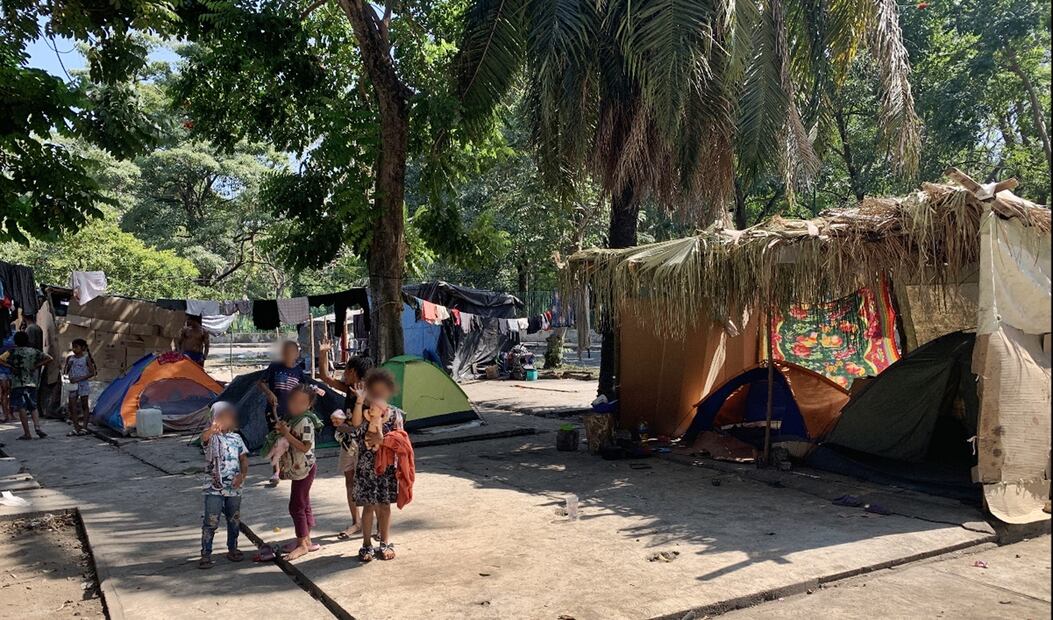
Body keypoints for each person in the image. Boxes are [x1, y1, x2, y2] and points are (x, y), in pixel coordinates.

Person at [318, 339, 374, 540]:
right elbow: (325, 376)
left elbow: (367, 423)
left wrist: (346, 425)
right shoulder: (349, 388)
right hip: (348, 443)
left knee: (368, 483)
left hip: (365, 445)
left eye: (347, 370)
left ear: (355, 373)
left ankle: (371, 524)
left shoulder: (369, 394)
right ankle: (356, 522)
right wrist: (323, 353)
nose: (344, 374)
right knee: (350, 481)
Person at [350, 369, 405, 562]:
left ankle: (385, 541)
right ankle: (366, 544)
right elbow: (355, 426)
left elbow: (402, 441)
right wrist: (358, 401)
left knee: (384, 506)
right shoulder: (364, 413)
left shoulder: (396, 415)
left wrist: (383, 440)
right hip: (366, 468)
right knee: (368, 506)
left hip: (386, 468)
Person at [275, 385, 323, 561]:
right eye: (293, 401)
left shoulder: (306, 421)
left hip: (305, 468)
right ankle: (306, 539)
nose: (296, 405)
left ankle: (302, 544)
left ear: (309, 405)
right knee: (304, 503)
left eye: (302, 403)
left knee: (296, 506)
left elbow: (304, 446)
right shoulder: (293, 418)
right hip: (299, 468)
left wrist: (287, 434)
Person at [199, 401, 249, 569]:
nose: (225, 420)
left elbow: (243, 459)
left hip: (234, 488)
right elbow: (203, 438)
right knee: (211, 520)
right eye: (220, 416)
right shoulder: (211, 437)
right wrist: (212, 430)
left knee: (233, 519)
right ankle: (206, 553)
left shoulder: (237, 438)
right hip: (213, 487)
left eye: (228, 416)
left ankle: (233, 548)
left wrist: (242, 476)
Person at [258, 341, 306, 486]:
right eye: (285, 353)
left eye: (290, 353)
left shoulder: (299, 372)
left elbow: (304, 391)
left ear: (297, 355)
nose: (287, 356)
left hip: (292, 414)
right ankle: (276, 471)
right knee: (275, 440)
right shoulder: (274, 367)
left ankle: (290, 468)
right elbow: (260, 383)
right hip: (274, 411)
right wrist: (269, 393)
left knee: (289, 440)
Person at [0, 331, 53, 439]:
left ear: (15, 341)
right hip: (31, 382)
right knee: (33, 406)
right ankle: (37, 427)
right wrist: (36, 365)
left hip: (17, 383)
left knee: (21, 407)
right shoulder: (33, 351)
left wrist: (10, 367)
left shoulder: (12, 352)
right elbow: (49, 358)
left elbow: (0, 359)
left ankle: (27, 433)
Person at [63, 338, 96, 436]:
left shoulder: (86, 358)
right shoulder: (70, 359)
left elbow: (92, 372)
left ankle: (84, 427)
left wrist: (80, 378)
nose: (74, 349)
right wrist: (68, 367)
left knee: (84, 405)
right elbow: (66, 371)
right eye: (73, 347)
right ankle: (76, 427)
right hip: (73, 385)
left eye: (76, 347)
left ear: (83, 348)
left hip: (83, 384)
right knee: (72, 406)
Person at [0, 323, 14, 423]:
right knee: (8, 393)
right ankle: (9, 414)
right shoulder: (13, 337)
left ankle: (7, 415)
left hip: (4, 370)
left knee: (6, 393)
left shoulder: (10, 337)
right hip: (9, 370)